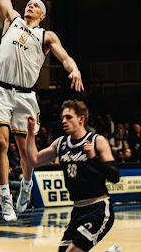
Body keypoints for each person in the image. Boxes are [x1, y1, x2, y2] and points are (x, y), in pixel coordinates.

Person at [0, 0, 84, 222]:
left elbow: (64, 57)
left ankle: (27, 185)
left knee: (25, 152)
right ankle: (5, 198)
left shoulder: (46, 36)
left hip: (25, 96)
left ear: (42, 14)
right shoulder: (11, 20)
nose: (29, 6)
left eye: (35, 5)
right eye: (29, 3)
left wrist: (74, 69)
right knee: (0, 143)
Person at [25, 100, 120, 252]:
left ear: (81, 119)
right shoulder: (60, 143)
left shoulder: (97, 141)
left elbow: (115, 176)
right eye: (63, 117)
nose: (64, 121)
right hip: (77, 210)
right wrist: (30, 132)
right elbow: (34, 160)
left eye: (69, 117)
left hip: (98, 209)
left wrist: (94, 158)